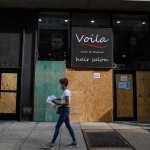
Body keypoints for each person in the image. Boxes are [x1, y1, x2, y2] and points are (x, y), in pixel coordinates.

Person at [41, 78, 77, 149]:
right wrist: (55, 99)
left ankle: (52, 144)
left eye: (60, 84)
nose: (60, 85)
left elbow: (67, 103)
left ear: (63, 84)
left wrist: (55, 102)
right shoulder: (66, 92)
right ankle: (74, 141)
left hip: (65, 111)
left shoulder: (66, 92)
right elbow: (63, 99)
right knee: (68, 126)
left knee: (57, 126)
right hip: (65, 110)